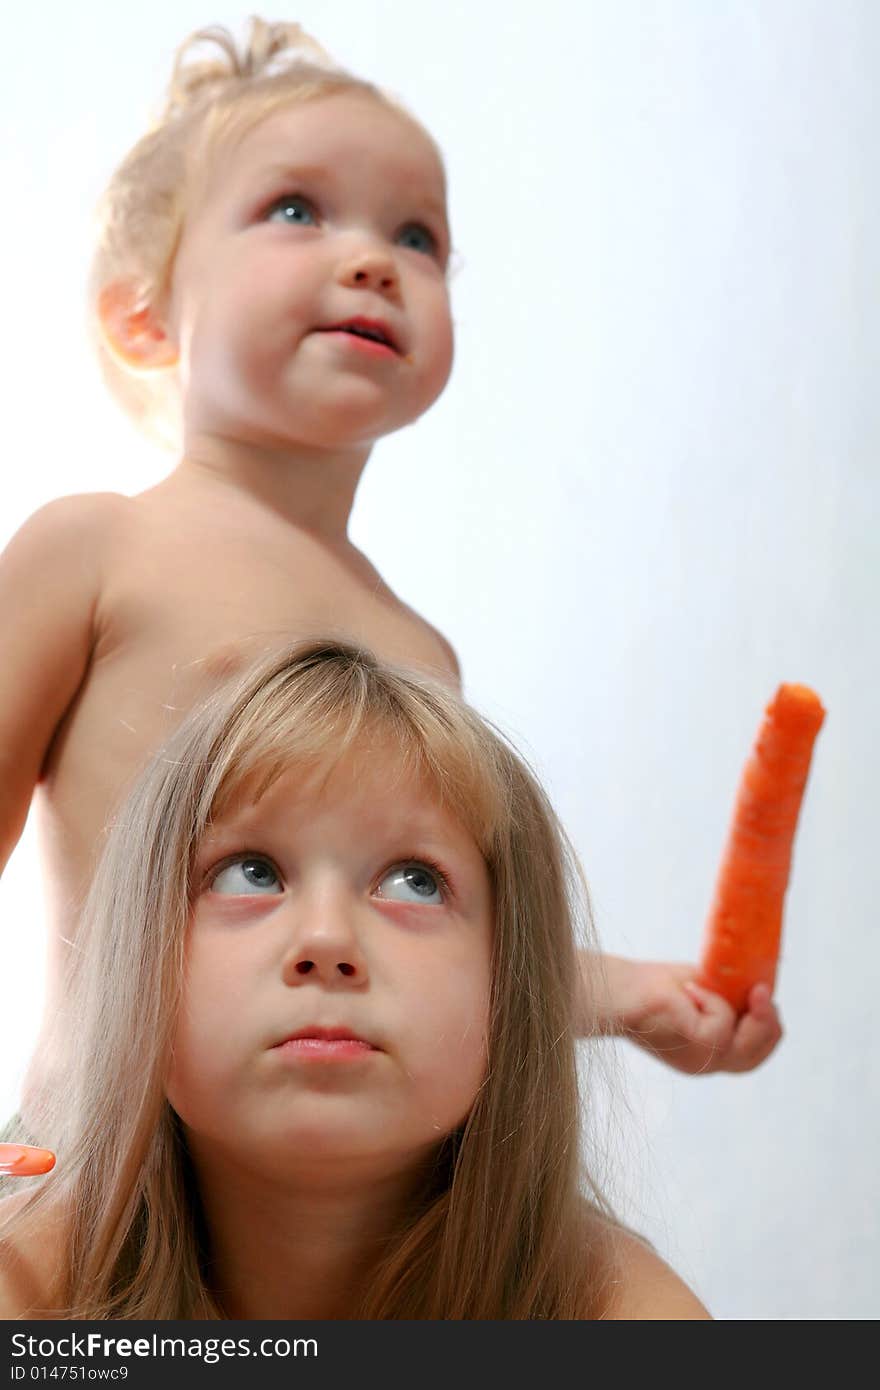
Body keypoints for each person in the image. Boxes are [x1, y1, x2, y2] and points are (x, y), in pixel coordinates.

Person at [0, 18, 780, 1177]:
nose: (370, 258)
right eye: (296, 210)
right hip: (97, 1179)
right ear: (146, 314)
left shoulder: (418, 651)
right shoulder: (98, 549)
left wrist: (641, 994)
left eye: (416, 235)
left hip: (325, 1216)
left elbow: (427, 937)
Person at [0, 641, 711, 1318]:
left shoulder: (620, 1311)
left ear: (509, 984)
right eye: (251, 872)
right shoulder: (24, 1282)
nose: (327, 941)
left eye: (414, 882)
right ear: (140, 954)